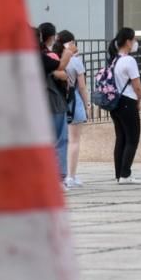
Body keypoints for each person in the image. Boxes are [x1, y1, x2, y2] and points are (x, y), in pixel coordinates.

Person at [39, 22, 73, 185]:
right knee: (60, 139)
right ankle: (59, 177)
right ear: (51, 37)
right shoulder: (48, 56)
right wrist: (67, 55)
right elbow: (62, 73)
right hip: (54, 101)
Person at [108, 27, 141, 184]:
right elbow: (137, 85)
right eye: (134, 39)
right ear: (128, 42)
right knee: (132, 138)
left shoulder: (114, 60)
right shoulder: (129, 60)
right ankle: (125, 173)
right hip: (128, 100)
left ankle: (119, 174)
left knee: (121, 137)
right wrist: (140, 98)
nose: (135, 43)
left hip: (115, 102)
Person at [58, 29, 88, 188]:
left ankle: (58, 175)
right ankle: (71, 175)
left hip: (57, 100)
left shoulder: (54, 57)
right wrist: (87, 104)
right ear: (70, 43)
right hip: (73, 100)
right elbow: (82, 86)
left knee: (58, 140)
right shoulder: (75, 61)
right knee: (74, 140)